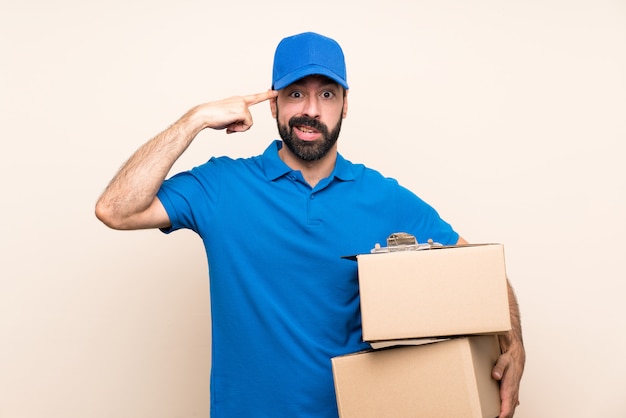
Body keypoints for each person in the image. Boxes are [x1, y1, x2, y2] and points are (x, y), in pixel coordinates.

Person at [96, 32, 525, 418]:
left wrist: (515, 345)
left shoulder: (382, 196)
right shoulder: (223, 185)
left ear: (345, 105)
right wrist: (194, 119)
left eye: (327, 94)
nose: (311, 110)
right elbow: (116, 208)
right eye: (296, 93)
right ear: (273, 103)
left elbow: (479, 275)